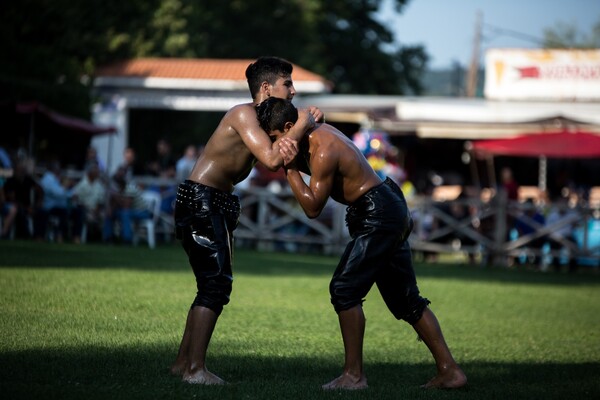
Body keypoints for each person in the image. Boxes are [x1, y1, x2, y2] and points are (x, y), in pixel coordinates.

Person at [257, 97, 467, 390]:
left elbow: (313, 208)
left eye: (276, 138)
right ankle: (450, 372)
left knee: (344, 289)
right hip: (384, 207)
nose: (276, 146)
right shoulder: (312, 132)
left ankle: (353, 376)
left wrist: (290, 169)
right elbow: (263, 156)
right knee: (406, 300)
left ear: (290, 127)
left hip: (378, 213)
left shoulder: (322, 147)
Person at [170, 56, 324, 385]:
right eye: (288, 84)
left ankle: (183, 364)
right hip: (202, 200)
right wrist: (304, 122)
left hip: (216, 202)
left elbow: (283, 150)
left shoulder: (263, 120)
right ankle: (195, 371)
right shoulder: (242, 114)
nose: (294, 91)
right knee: (215, 285)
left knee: (210, 286)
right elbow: (271, 158)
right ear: (266, 88)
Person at [103, 167, 151, 244]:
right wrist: (110, 209)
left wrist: (115, 197)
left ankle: (127, 240)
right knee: (109, 214)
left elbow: (126, 207)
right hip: (131, 211)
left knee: (125, 213)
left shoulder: (130, 188)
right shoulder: (117, 188)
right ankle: (108, 238)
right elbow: (114, 205)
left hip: (142, 211)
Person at [39, 160, 84, 243]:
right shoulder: (47, 179)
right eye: (58, 167)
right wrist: (67, 186)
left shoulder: (56, 179)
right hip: (51, 206)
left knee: (79, 211)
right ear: (53, 168)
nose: (59, 169)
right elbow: (58, 193)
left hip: (62, 205)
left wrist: (72, 193)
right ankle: (59, 235)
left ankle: (76, 236)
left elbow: (67, 193)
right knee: (65, 211)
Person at [71, 161, 107, 241]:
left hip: (95, 210)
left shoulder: (99, 185)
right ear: (90, 172)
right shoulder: (82, 183)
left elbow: (100, 201)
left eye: (98, 171)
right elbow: (75, 198)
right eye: (96, 171)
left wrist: (96, 210)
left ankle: (104, 239)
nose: (98, 173)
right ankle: (77, 236)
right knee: (81, 214)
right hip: (83, 209)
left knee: (105, 216)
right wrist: (88, 209)